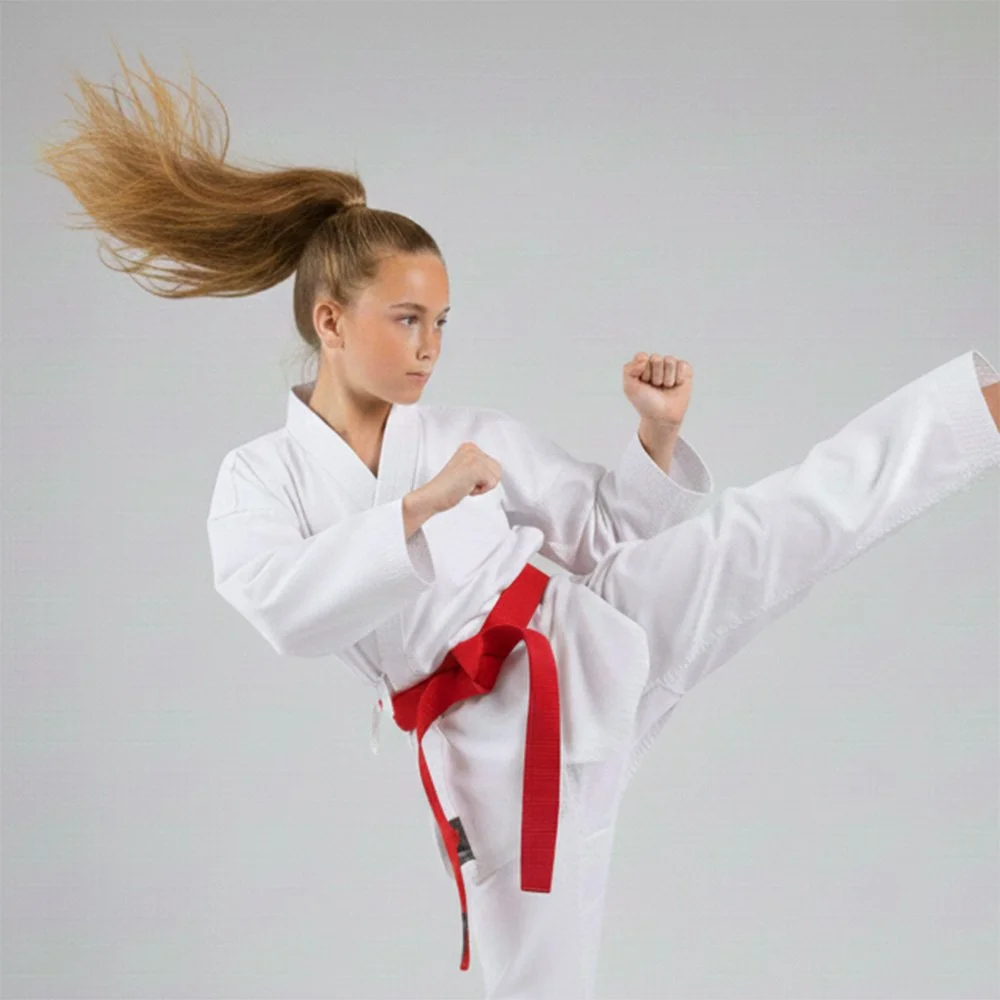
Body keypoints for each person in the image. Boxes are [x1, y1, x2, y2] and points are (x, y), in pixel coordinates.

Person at [37, 45, 1000, 1000]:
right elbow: (284, 611)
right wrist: (417, 508)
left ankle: (984, 406)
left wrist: (656, 436)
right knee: (537, 986)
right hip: (489, 744)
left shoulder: (468, 434)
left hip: (589, 631)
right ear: (330, 323)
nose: (430, 349)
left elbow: (609, 531)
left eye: (443, 322)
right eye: (406, 319)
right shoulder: (259, 477)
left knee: (786, 518)